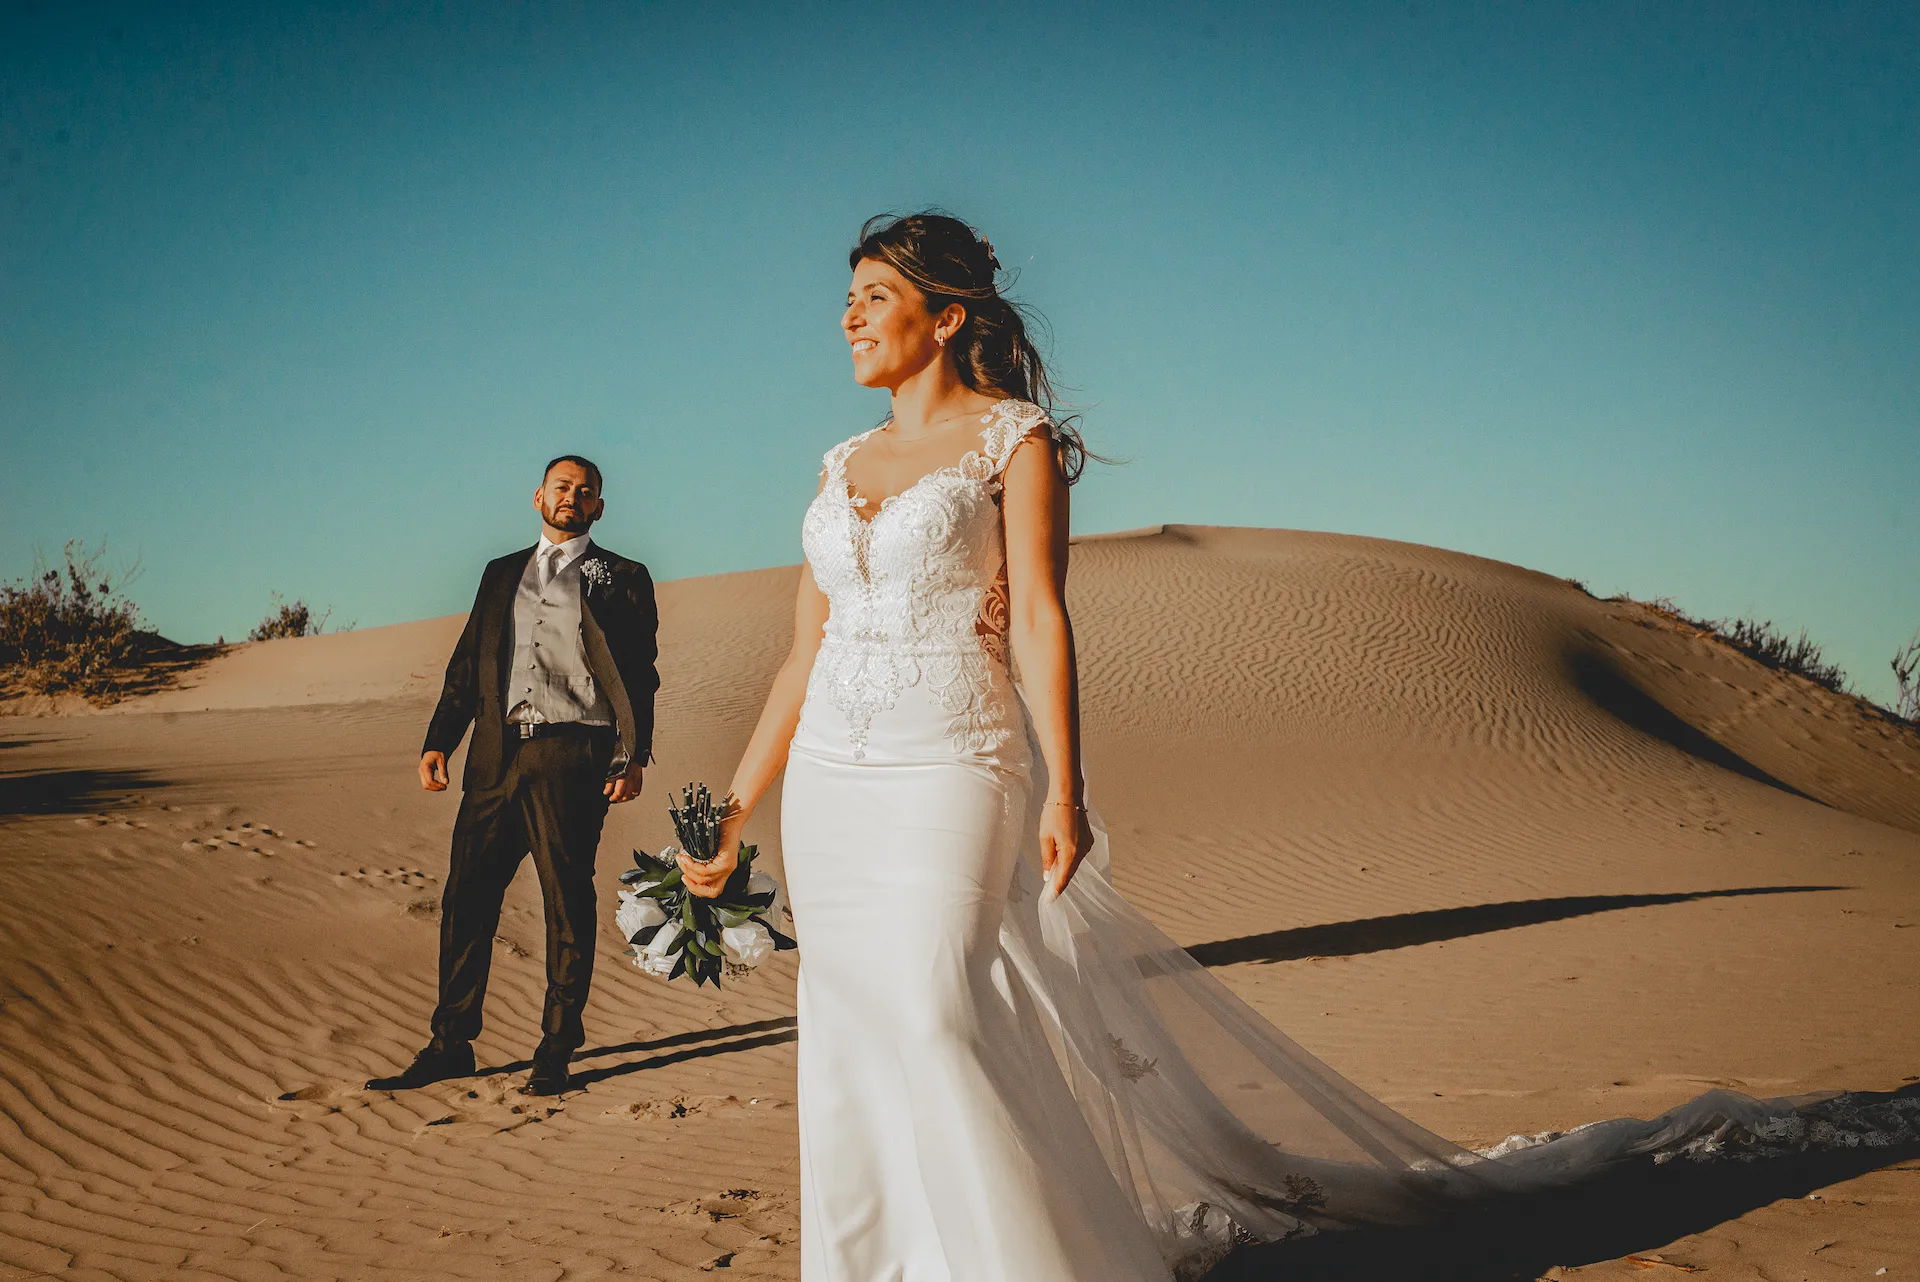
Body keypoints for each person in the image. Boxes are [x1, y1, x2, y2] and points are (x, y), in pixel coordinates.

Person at [678, 214, 1907, 1280]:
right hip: (834, 774)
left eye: (874, 298)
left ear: (945, 318)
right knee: (853, 1026)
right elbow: (805, 650)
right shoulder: (840, 466)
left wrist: (1069, 784)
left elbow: (1046, 616)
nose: (848, 319)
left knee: (941, 1011)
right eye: (845, 300)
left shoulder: (1013, 441)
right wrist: (732, 811)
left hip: (953, 754)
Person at [368, 455, 659, 1098]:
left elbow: (640, 674)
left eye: (586, 493)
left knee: (565, 902)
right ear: (537, 497)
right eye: (562, 488)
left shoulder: (625, 577)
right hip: (496, 757)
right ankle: (450, 1045)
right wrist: (440, 738)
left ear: (599, 508)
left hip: (572, 758)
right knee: (466, 901)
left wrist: (633, 756)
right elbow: (471, 659)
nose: (572, 498)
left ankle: (556, 1049)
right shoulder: (500, 574)